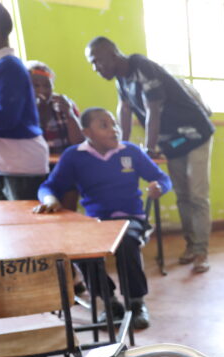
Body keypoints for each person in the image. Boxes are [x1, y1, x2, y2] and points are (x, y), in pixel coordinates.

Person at [0, 0, 63, 357]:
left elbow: (6, 119)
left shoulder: (9, 67)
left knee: (29, 257)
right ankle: (20, 331)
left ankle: (46, 349)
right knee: (1, 252)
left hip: (21, 166)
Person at [84, 36, 215, 274]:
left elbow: (152, 110)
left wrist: (149, 148)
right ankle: (191, 245)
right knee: (182, 195)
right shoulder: (121, 80)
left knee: (197, 195)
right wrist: (120, 146)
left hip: (195, 134)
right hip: (172, 142)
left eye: (97, 61)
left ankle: (201, 252)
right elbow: (124, 110)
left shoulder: (141, 67)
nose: (95, 68)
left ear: (112, 55)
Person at [35, 108, 171, 330]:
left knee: (126, 242)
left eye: (114, 124)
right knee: (82, 249)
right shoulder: (74, 156)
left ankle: (136, 303)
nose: (114, 130)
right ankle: (109, 302)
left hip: (131, 219)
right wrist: (50, 199)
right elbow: (48, 186)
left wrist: (160, 186)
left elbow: (162, 177)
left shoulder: (130, 152)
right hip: (96, 222)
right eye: (104, 125)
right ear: (87, 132)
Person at [25, 60, 83, 154]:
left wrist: (69, 115)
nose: (42, 90)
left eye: (47, 86)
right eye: (36, 85)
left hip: (64, 161)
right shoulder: (21, 110)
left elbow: (79, 144)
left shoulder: (64, 105)